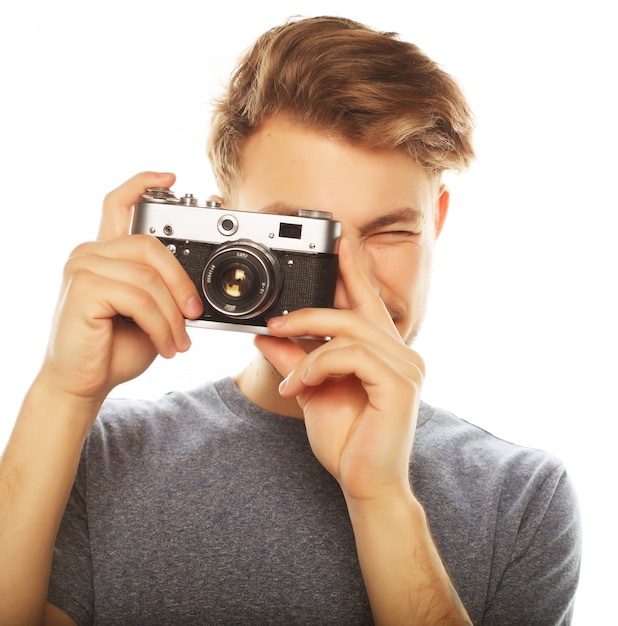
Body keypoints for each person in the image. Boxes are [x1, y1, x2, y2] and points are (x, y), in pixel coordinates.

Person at [0, 15, 581, 626]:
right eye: (300, 236)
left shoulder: (523, 499)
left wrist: (381, 498)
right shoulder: (96, 454)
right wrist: (64, 392)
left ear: (435, 222)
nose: (346, 282)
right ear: (226, 231)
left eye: (389, 232)